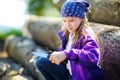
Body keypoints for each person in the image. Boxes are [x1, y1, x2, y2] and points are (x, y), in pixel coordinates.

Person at [34, 0, 105, 80]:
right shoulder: (68, 34)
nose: (67, 25)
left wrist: (66, 54)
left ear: (81, 18)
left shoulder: (87, 36)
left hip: (82, 78)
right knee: (41, 62)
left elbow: (92, 57)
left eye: (71, 20)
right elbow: (67, 57)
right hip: (70, 75)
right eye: (64, 21)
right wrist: (56, 56)